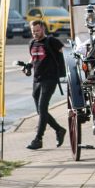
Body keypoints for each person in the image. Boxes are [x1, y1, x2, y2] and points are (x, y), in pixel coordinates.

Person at [25, 20, 67, 150]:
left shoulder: (51, 41)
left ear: (43, 29)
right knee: (40, 110)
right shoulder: (32, 43)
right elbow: (33, 57)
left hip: (50, 79)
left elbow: (64, 53)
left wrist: (62, 70)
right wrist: (28, 66)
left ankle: (38, 139)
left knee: (42, 107)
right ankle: (59, 130)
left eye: (37, 31)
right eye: (33, 31)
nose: (35, 34)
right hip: (36, 80)